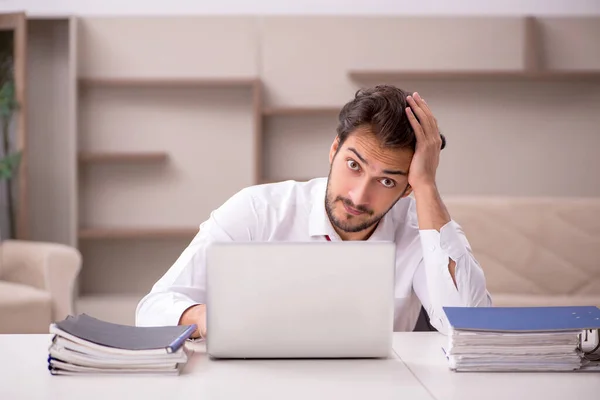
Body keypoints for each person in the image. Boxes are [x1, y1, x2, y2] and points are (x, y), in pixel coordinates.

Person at [135, 85, 492, 337]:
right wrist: (206, 317)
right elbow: (152, 309)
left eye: (386, 181)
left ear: (407, 187)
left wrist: (427, 186)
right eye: (353, 165)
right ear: (335, 149)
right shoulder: (257, 211)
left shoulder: (421, 229)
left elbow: (471, 327)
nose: (358, 195)